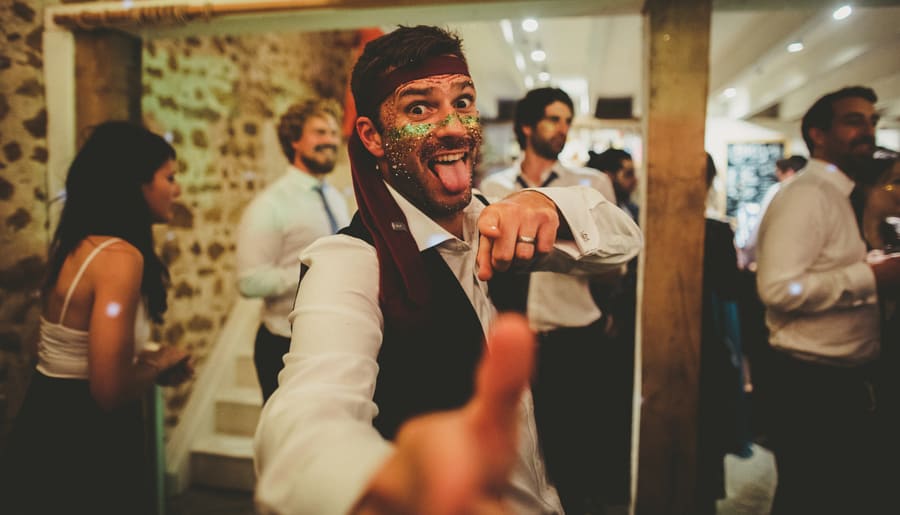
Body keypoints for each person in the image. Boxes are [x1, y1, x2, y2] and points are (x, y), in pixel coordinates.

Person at [253, 25, 643, 515]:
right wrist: (382, 481)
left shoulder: (496, 220)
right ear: (373, 136)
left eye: (463, 102)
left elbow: (623, 243)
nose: (455, 127)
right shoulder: (351, 262)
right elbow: (303, 422)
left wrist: (547, 203)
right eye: (420, 108)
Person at [0, 121, 193, 515]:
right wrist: (160, 364)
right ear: (136, 184)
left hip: (46, 416)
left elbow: (83, 342)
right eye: (169, 177)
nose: (177, 190)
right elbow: (108, 389)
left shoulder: (79, 243)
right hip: (81, 439)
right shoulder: (120, 259)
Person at [756, 86, 900, 514]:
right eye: (854, 120)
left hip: (838, 379)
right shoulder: (806, 195)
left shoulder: (840, 194)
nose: (868, 130)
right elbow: (779, 289)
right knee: (812, 495)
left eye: (872, 121)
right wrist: (871, 276)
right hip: (810, 386)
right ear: (817, 134)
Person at [480, 88, 623, 514]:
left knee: (579, 449)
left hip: (575, 334)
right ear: (526, 126)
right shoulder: (494, 186)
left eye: (567, 121)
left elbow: (614, 263)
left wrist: (558, 249)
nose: (563, 129)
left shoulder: (591, 185)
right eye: (554, 119)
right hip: (517, 335)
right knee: (522, 448)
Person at [236, 99, 350, 402]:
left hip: (333, 339)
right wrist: (314, 272)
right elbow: (249, 282)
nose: (330, 140)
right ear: (294, 140)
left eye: (333, 132)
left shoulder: (336, 198)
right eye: (319, 132)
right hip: (283, 343)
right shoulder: (270, 205)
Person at [740, 154, 807, 269]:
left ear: (790, 172)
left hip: (777, 259)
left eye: (779, 173)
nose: (777, 176)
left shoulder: (777, 191)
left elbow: (761, 225)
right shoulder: (813, 194)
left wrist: (747, 254)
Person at [587, 147, 639, 222]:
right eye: (629, 174)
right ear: (609, 176)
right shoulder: (594, 213)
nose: (635, 180)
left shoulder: (631, 209)